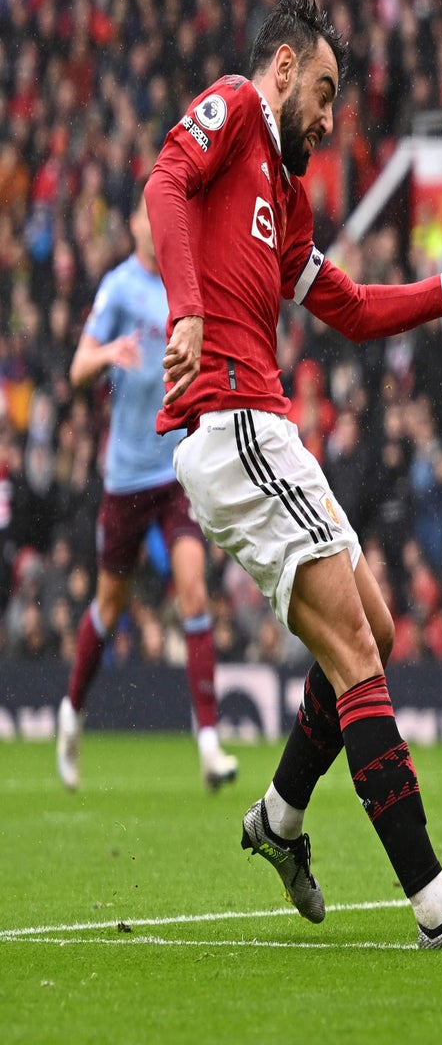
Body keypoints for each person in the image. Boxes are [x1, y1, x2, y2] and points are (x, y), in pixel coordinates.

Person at [144, 0, 442, 950]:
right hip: (229, 418)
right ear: (281, 67)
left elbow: (347, 307)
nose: (328, 115)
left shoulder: (290, 193)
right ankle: (436, 903)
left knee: (380, 629)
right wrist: (187, 309)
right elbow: (163, 183)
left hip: (266, 423)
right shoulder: (235, 102)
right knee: (357, 654)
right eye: (320, 91)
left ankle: (278, 817)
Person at [55, 187, 239, 794]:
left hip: (173, 472)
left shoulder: (185, 287)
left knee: (193, 588)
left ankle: (209, 741)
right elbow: (78, 370)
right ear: (134, 224)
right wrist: (110, 350)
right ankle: (71, 713)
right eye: (145, 213)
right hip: (124, 479)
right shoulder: (118, 288)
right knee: (108, 606)